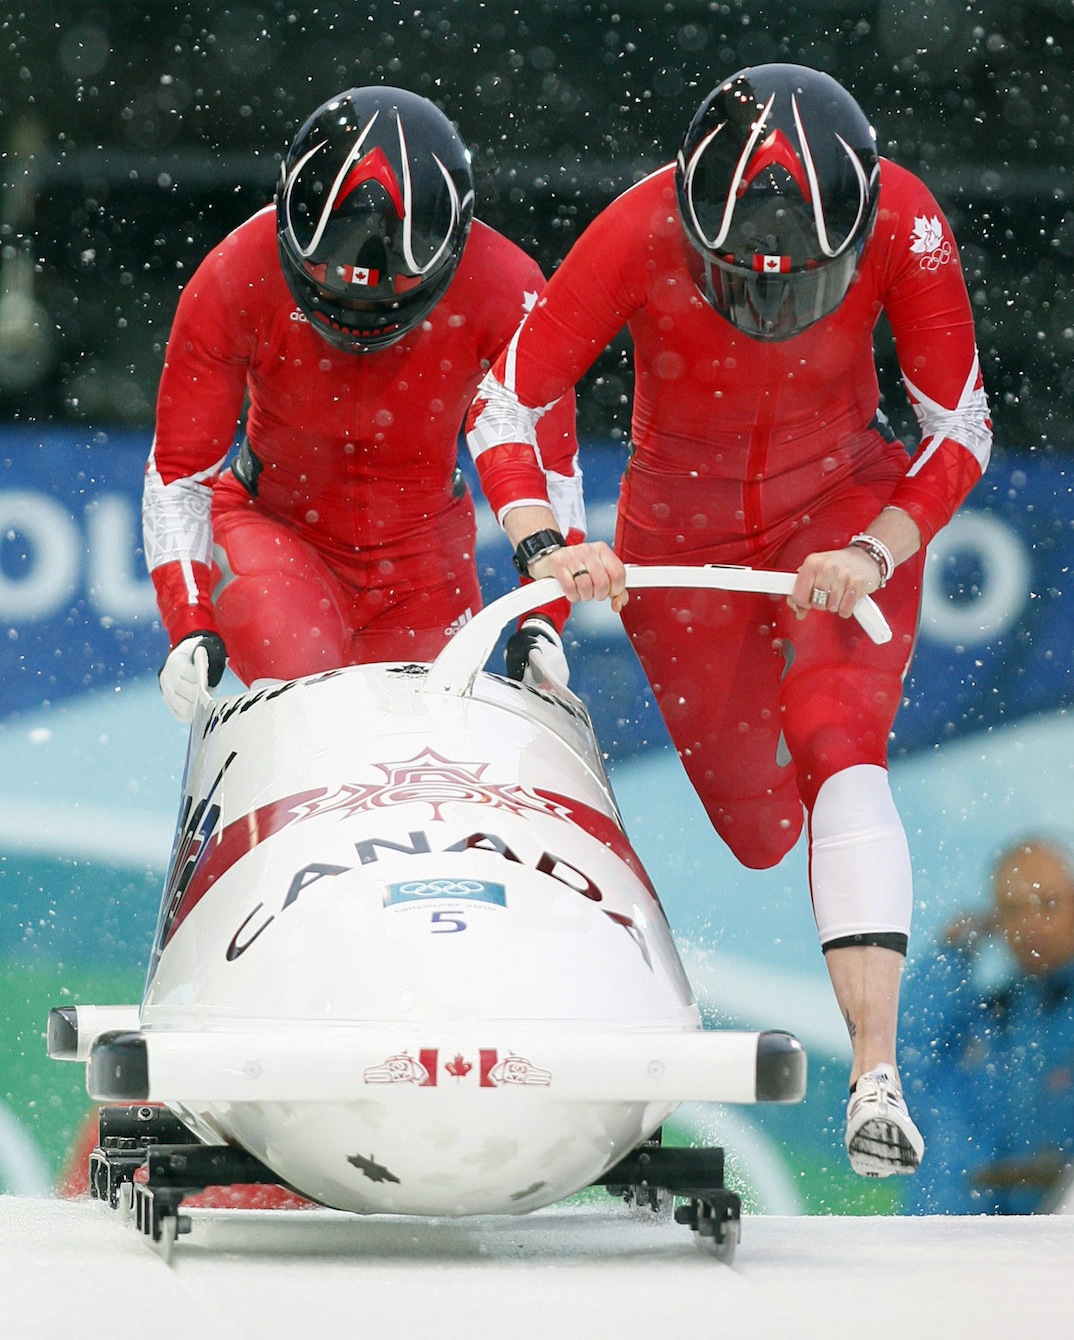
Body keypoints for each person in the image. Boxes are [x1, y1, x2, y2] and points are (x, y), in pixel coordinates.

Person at [465, 63, 992, 1177]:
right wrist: (546, 544)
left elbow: (962, 426)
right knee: (760, 829)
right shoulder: (640, 224)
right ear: (696, 225)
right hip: (681, 543)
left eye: (803, 283)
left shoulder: (907, 221)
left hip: (844, 504)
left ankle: (876, 1074)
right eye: (741, 281)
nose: (769, 309)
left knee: (837, 736)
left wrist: (876, 545)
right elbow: (509, 398)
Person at [143, 85, 576, 722]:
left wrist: (542, 618)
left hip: (423, 560)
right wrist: (188, 620)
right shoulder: (235, 273)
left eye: (384, 303)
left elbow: (550, 463)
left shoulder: (508, 287)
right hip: (277, 532)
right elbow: (182, 471)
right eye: (334, 294)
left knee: (426, 747)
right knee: (311, 702)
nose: (355, 319)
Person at [901, 836, 1074, 1213]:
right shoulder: (995, 1018)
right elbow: (904, 1070)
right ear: (996, 920)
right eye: (1014, 909)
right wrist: (951, 954)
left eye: (1048, 905)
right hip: (981, 1247)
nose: (1032, 923)